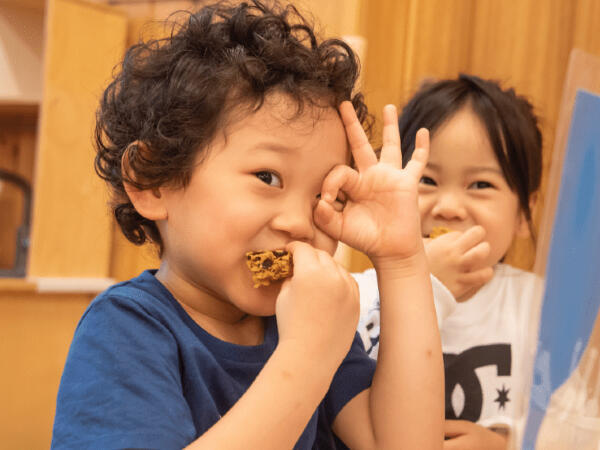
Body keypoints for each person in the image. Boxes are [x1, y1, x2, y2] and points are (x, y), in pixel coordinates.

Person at [51, 1, 444, 448]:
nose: (299, 223)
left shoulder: (302, 323)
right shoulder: (126, 331)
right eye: (267, 178)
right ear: (153, 181)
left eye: (323, 195)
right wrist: (306, 357)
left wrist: (402, 259)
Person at [354, 74, 544, 449]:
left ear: (524, 212)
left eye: (481, 185)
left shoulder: (541, 309)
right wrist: (424, 287)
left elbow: (578, 428)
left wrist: (510, 445)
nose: (449, 208)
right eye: (426, 179)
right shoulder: (356, 299)